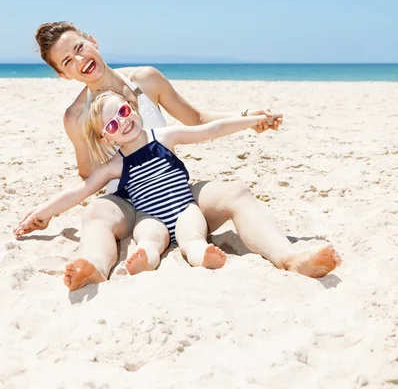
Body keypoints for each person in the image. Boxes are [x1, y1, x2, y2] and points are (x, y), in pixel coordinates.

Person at [14, 21, 341, 290]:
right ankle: (94, 268)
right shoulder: (76, 117)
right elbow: (88, 178)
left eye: (79, 47)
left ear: (93, 40)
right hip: (128, 203)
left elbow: (196, 120)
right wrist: (50, 209)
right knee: (96, 213)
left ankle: (289, 258)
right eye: (67, 62)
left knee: (235, 191)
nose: (79, 59)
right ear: (63, 75)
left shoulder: (145, 78)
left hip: (175, 190)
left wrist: (247, 117)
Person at [15, 91, 280, 274]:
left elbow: (211, 130)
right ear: (106, 139)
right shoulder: (114, 165)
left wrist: (251, 121)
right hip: (148, 216)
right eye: (111, 125)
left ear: (133, 107)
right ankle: (144, 260)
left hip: (184, 208)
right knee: (149, 240)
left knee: (192, 235)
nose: (122, 122)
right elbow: (78, 192)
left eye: (123, 110)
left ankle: (203, 256)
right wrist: (42, 214)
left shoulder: (164, 137)